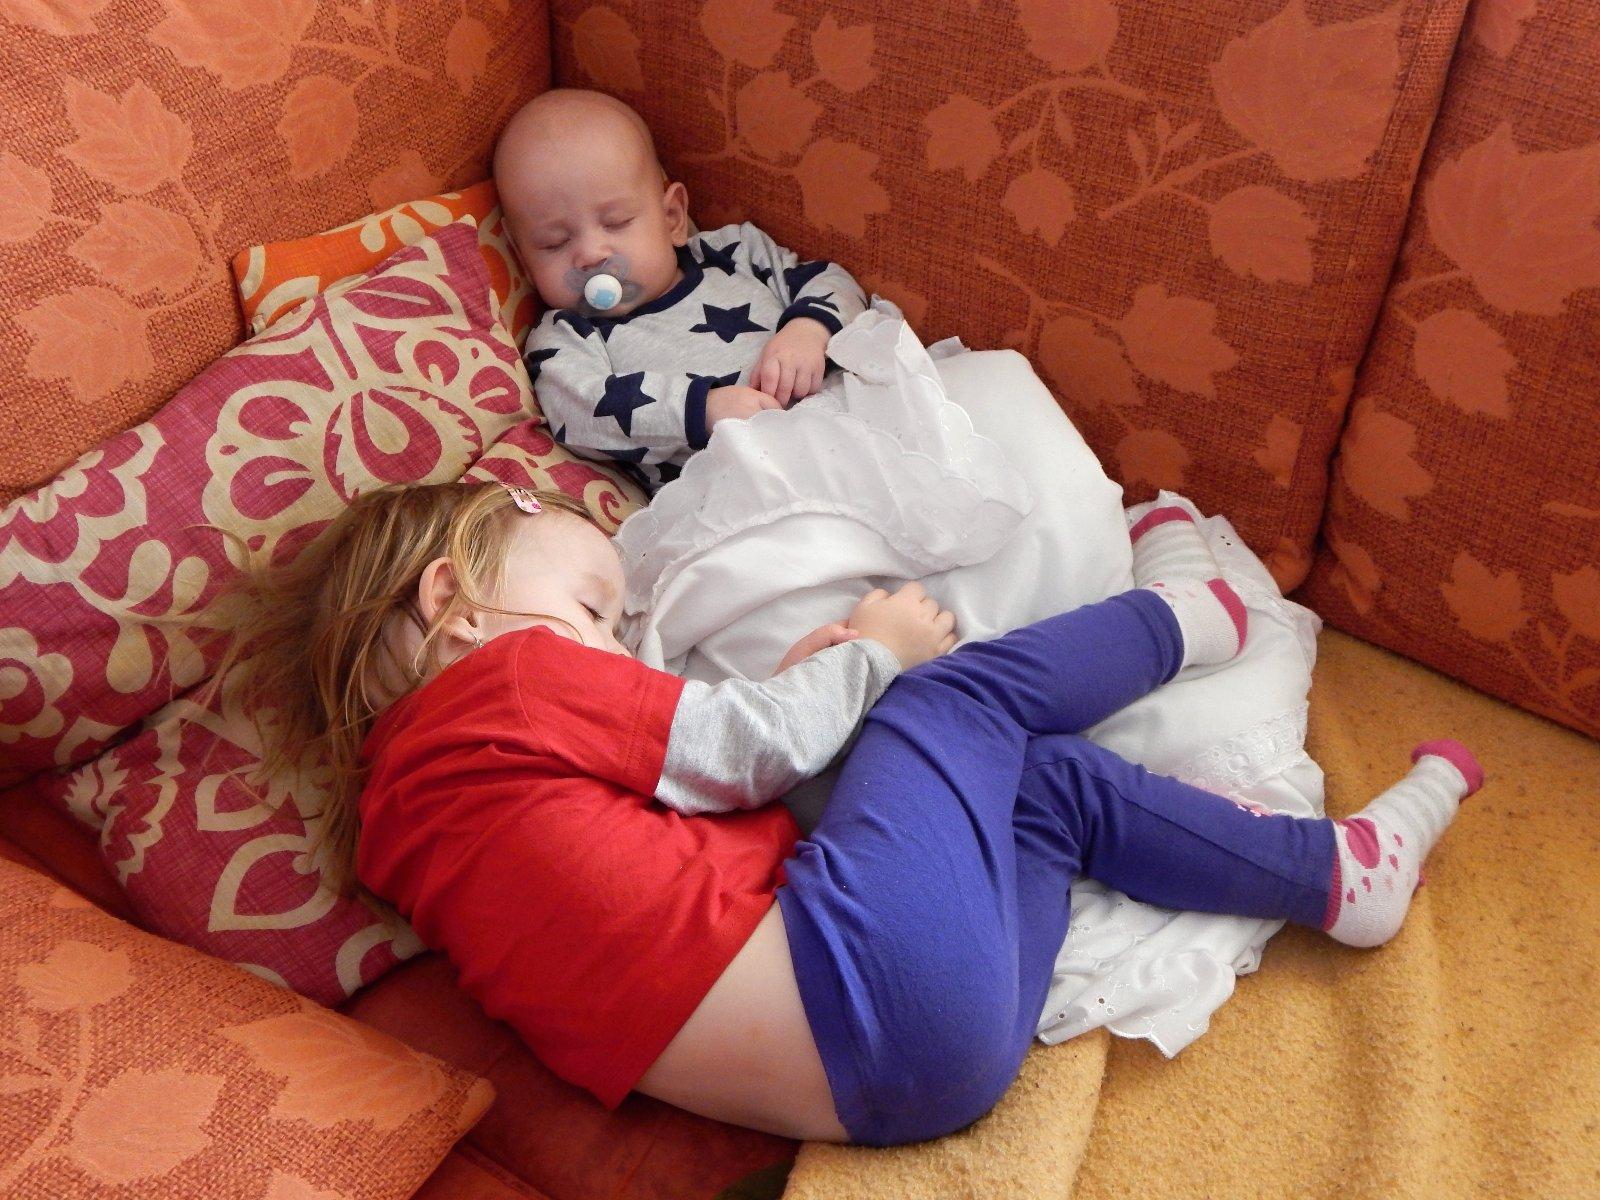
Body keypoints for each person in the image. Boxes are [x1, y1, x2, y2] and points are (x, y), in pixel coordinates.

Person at [211, 481, 1481, 1147]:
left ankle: (1332, 873)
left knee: (1036, 796)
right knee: (953, 700)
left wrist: (802, 693)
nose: (612, 646)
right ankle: (1195, 614)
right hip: (869, 983)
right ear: (454, 601)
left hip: (918, 1084)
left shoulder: (416, 834)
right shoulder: (510, 678)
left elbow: (678, 857)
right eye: (594, 610)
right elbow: (743, 757)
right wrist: (874, 653)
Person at [493, 88, 868, 490]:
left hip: (851, 431)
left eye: (616, 222)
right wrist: (701, 410)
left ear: (672, 217)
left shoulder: (734, 252)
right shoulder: (566, 336)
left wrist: (808, 330)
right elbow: (580, 411)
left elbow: (835, 282)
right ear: (524, 260)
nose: (590, 254)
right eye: (553, 243)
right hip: (741, 491)